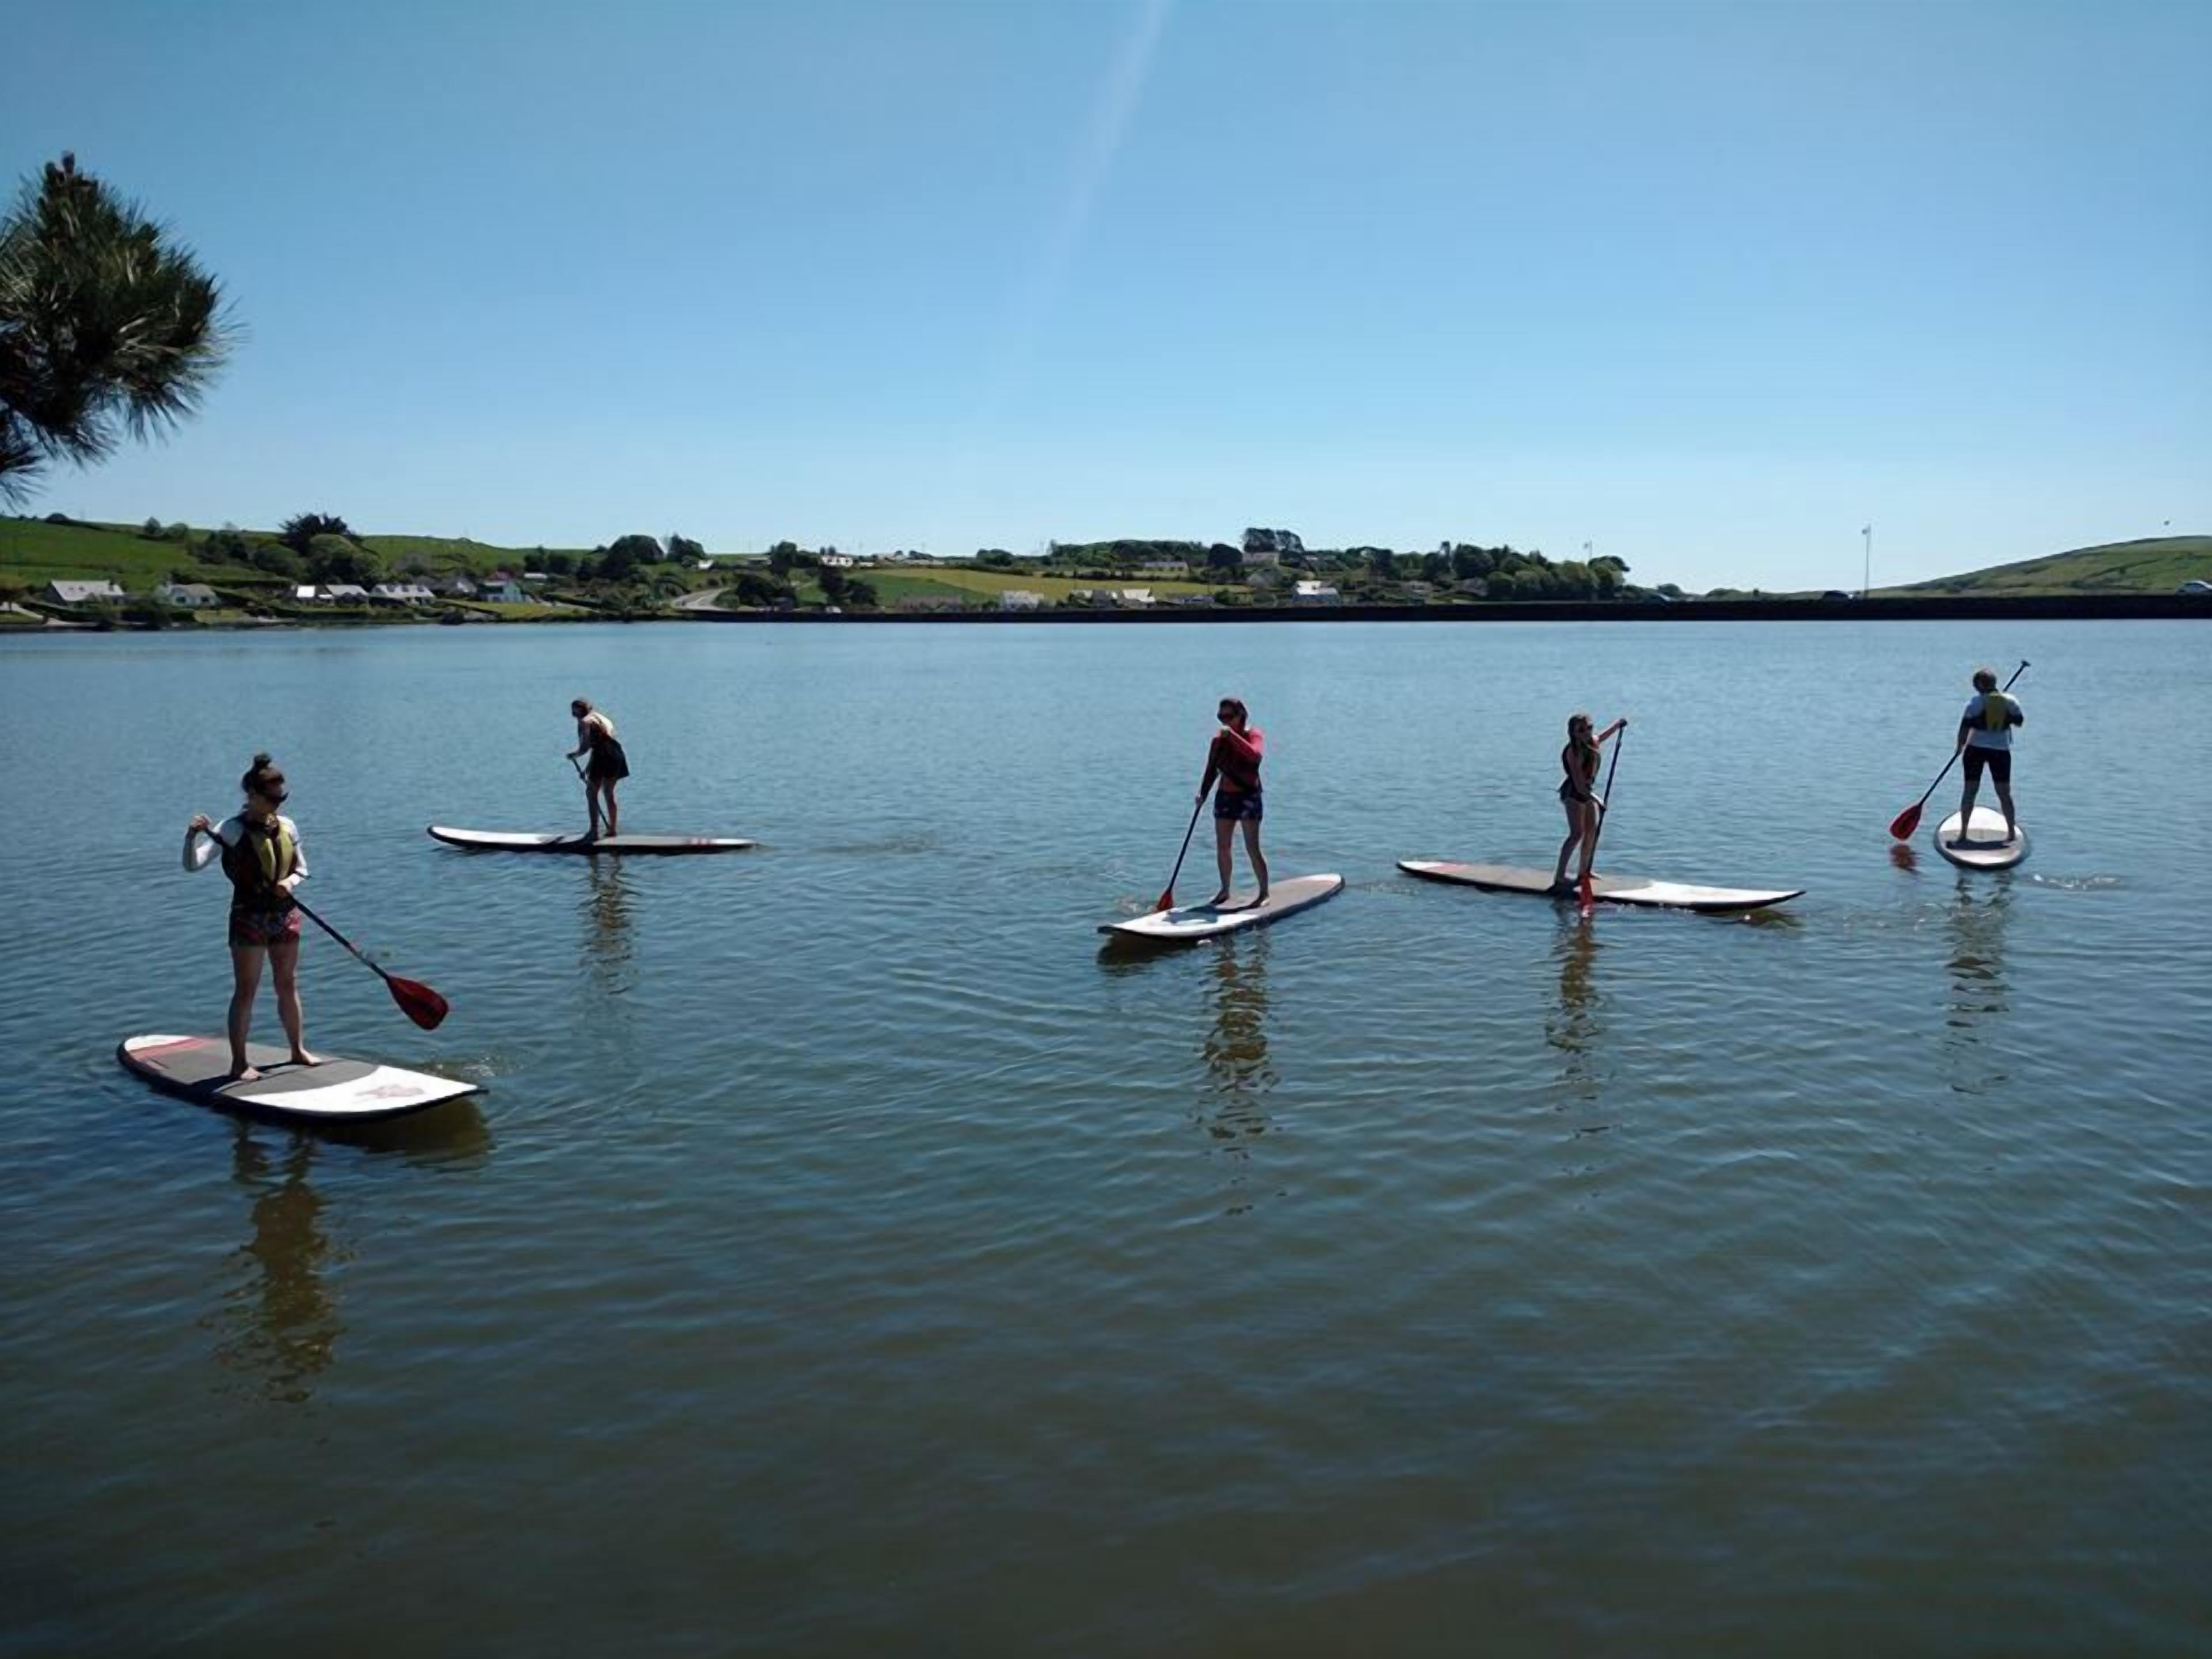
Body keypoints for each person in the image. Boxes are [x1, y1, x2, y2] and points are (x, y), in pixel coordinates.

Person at [185, 752, 317, 1081]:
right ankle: (239, 1063)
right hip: (249, 917)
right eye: (272, 798)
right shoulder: (230, 829)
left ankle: (297, 1050)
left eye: (281, 798)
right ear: (253, 796)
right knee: (247, 990)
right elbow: (193, 865)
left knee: (288, 984)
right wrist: (191, 838)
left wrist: (289, 882)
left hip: (285, 914)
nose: (277, 804)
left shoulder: (288, 826)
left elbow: (303, 868)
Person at [1199, 696, 1268, 907]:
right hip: (1225, 797)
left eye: (1229, 717)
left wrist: (1234, 738)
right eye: (1221, 717)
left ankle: (1264, 893)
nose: (1225, 722)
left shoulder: (1253, 734)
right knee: (1223, 846)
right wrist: (1202, 794)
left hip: (1249, 796)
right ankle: (1225, 890)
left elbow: (1255, 756)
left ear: (1241, 716)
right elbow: (1211, 768)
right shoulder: (1219, 741)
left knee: (1251, 847)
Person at [1549, 711, 1627, 895]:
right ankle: (1559, 876)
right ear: (1574, 733)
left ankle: (1584, 872)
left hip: (1588, 793)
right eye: (1582, 730)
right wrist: (1598, 800)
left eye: (1589, 728)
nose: (1587, 732)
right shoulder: (1572, 752)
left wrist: (1618, 726)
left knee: (1591, 833)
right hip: (1574, 794)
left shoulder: (1592, 742)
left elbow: (1602, 736)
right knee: (1577, 834)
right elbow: (1578, 784)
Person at [1954, 666, 2023, 846]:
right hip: (2000, 751)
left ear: (1978, 685)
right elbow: (2019, 722)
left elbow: (1964, 728)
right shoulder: (2011, 701)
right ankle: (2010, 833)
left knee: (1970, 791)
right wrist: (2003, 713)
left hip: (1975, 750)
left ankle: (1962, 834)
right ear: (1994, 684)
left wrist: (1959, 748)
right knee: (2004, 793)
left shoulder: (1974, 703)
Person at [566, 698, 629, 838]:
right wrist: (587, 770)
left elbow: (586, 747)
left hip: (603, 756)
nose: (574, 717)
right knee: (609, 792)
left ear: (580, 713)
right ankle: (612, 830)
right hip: (616, 754)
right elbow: (601, 746)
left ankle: (593, 832)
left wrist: (574, 755)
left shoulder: (584, 723)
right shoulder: (600, 718)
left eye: (574, 714)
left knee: (591, 793)